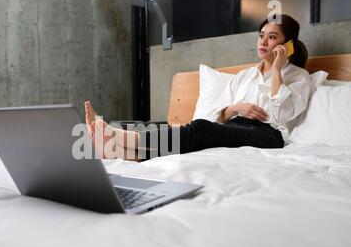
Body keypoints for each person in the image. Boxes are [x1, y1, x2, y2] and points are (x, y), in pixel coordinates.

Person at [85, 14, 311, 162]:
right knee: (199, 139)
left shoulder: (299, 77)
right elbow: (219, 117)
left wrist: (278, 71)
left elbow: (282, 115)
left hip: (269, 136)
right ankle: (121, 154)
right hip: (235, 127)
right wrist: (236, 108)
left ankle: (121, 136)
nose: (263, 41)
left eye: (272, 37)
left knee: (201, 129)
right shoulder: (244, 76)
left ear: (287, 44)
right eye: (261, 35)